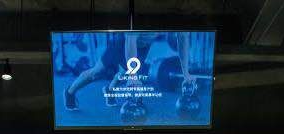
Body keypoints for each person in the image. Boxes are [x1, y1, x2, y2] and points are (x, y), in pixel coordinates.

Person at [64, 32, 195, 111]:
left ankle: (110, 90)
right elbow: (130, 40)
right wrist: (133, 75)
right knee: (96, 72)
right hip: (123, 42)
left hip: (143, 47)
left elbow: (183, 39)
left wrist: (186, 73)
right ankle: (70, 92)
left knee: (125, 74)